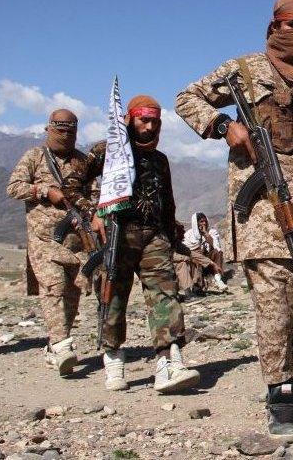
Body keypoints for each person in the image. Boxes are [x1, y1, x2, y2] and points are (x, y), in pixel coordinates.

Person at [176, 0, 293, 438]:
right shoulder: (244, 70)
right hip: (261, 203)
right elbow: (188, 98)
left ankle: (274, 348)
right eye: (288, 23)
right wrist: (224, 126)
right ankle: (280, 390)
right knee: (274, 301)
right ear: (272, 25)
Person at [87, 94, 200, 394]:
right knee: (113, 297)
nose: (149, 127)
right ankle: (112, 357)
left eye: (155, 121)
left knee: (166, 295)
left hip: (154, 237)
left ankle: (169, 360)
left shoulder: (159, 160)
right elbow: (75, 183)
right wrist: (93, 213)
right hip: (116, 235)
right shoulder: (106, 152)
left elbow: (168, 202)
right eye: (143, 120)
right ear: (130, 119)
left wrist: (171, 235)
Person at [7, 109, 95, 376]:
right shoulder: (34, 157)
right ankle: (61, 345)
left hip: (76, 241)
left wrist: (88, 211)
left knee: (72, 293)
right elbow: (13, 187)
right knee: (54, 287)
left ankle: (54, 344)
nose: (65, 136)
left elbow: (95, 191)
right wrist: (44, 191)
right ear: (48, 130)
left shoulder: (83, 161)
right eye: (60, 130)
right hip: (43, 239)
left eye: (71, 131)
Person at [172, 218, 222, 298]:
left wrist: (212, 263)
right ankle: (187, 292)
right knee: (182, 263)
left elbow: (190, 253)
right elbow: (169, 255)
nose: (183, 232)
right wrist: (184, 257)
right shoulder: (164, 240)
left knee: (194, 259)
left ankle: (197, 287)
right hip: (161, 267)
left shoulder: (176, 243)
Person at [182, 212, 227, 292]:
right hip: (197, 261)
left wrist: (206, 234)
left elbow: (215, 246)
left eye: (205, 221)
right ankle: (197, 283)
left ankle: (218, 279)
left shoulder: (212, 232)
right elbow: (186, 250)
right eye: (201, 222)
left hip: (210, 261)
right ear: (196, 223)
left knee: (218, 252)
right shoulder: (189, 235)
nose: (204, 223)